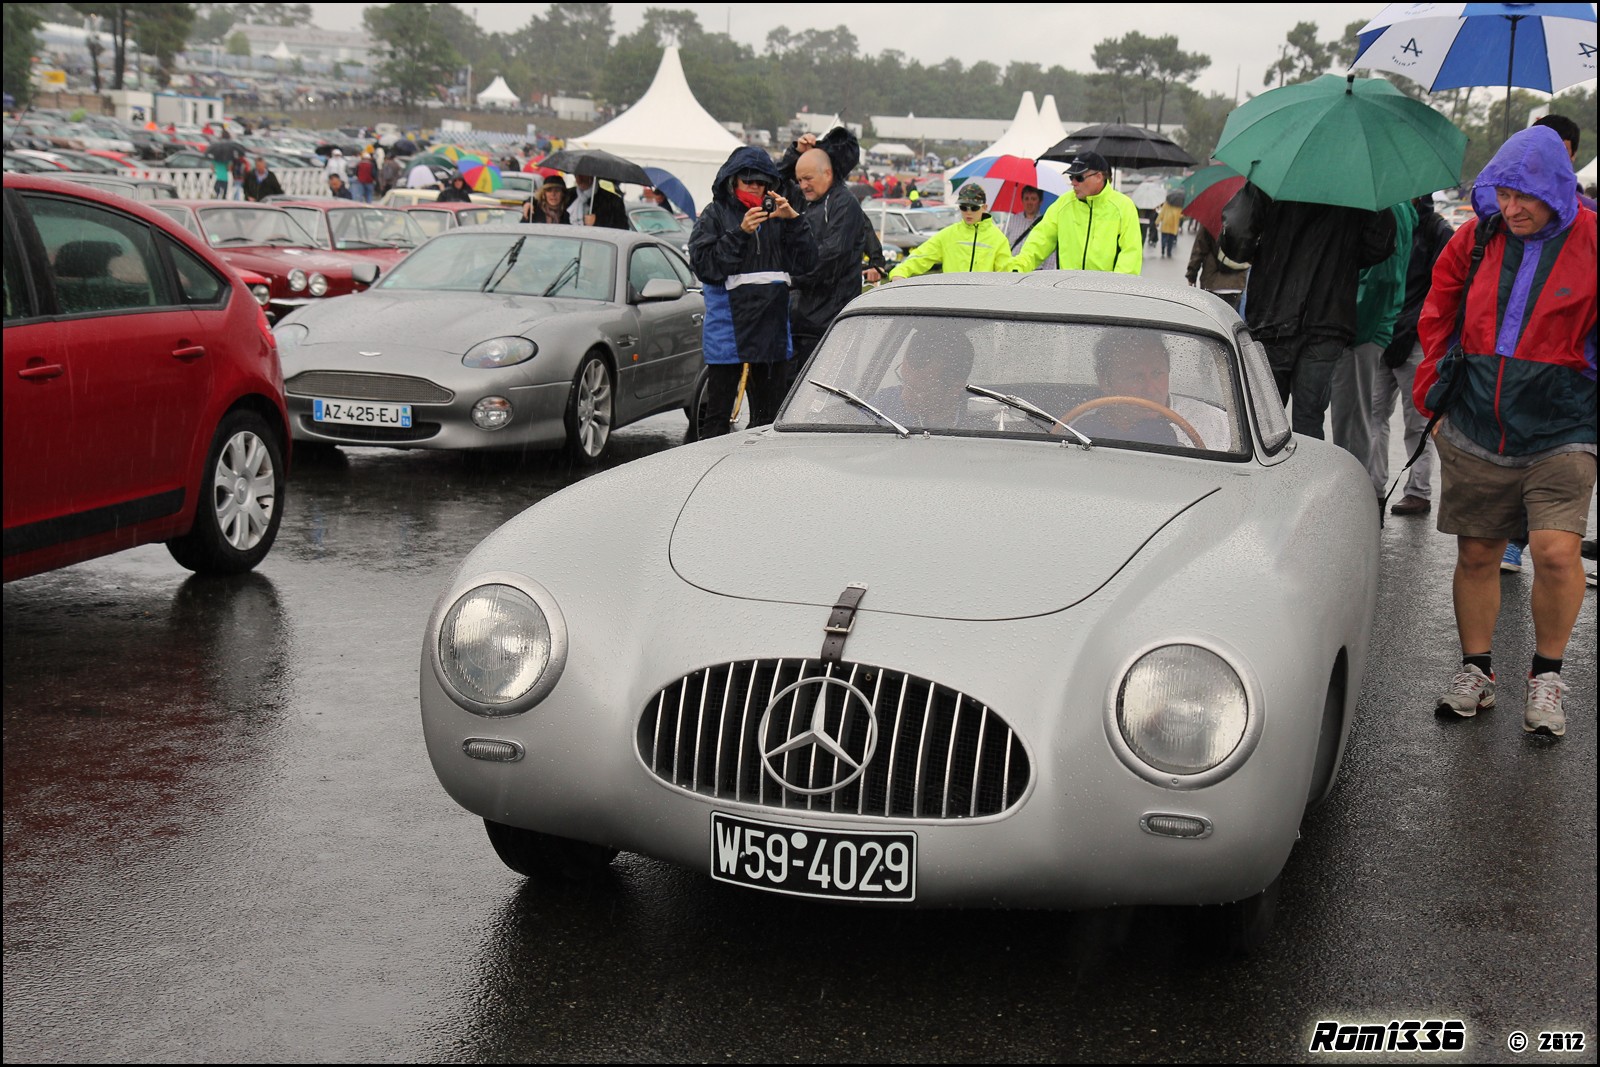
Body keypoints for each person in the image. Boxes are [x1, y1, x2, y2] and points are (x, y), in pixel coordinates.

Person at [1416, 125, 1596, 739]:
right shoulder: (1476, 237)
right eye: (1504, 193)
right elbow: (1438, 310)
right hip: (1476, 423)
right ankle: (1477, 670)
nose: (1512, 208)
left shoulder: (1593, 239)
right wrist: (1434, 395)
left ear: (1556, 189)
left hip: (1565, 425)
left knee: (1555, 551)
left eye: (1525, 196)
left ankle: (1547, 677)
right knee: (1477, 553)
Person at [1219, 183, 1395, 440]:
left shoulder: (1277, 175)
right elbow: (1382, 242)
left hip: (1273, 312)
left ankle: (1267, 465)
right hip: (1328, 318)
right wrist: (1343, 260)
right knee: (1310, 418)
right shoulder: (1357, 181)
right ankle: (1308, 466)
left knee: (1264, 419)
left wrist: (1263, 254)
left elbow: (1236, 234)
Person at [687, 146, 818, 438]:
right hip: (728, 331)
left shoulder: (779, 217)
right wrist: (741, 232)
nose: (755, 187)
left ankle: (759, 467)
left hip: (771, 331)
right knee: (717, 418)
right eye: (749, 181)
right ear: (733, 180)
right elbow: (705, 267)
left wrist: (794, 220)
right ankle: (712, 466)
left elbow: (808, 263)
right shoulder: (715, 214)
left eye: (762, 182)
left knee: (768, 419)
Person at [778, 128, 886, 385]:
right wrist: (795, 152)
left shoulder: (844, 204)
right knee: (793, 395)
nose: (803, 185)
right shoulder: (806, 201)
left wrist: (789, 278)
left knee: (826, 394)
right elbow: (773, 183)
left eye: (808, 178)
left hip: (829, 324)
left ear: (827, 173)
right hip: (799, 320)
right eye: (799, 179)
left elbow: (829, 258)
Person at [1369, 195, 1453, 516]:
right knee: (1374, 416)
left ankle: (1418, 490)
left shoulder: (1436, 230)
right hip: (1384, 330)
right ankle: (1373, 488)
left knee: (1417, 420)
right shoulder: (1385, 222)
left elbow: (1445, 287)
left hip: (1416, 336)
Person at [1329, 199, 1417, 470]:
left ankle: (1352, 489)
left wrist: (1350, 328)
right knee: (1355, 420)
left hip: (1361, 330)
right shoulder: (1395, 206)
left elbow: (1382, 279)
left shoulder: (1387, 207)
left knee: (1351, 424)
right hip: (1365, 327)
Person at [1077, 331, 1231, 451]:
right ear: (1104, 381)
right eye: (1136, 377)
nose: (1150, 390)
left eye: (1157, 374)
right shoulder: (1081, 431)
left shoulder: (1217, 424)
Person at [1012, 152, 1142, 274]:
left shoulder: (1124, 207)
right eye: (1071, 177)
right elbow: (1039, 241)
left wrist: (1115, 288)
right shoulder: (1063, 204)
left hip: (1106, 289)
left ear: (1098, 177)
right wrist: (1017, 268)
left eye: (1079, 177)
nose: (1073, 182)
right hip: (1067, 287)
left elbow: (1130, 254)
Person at [887, 184, 1013, 279]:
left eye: (974, 208)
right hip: (951, 300)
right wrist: (899, 272)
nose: (968, 212)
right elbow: (921, 255)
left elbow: (1006, 275)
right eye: (963, 207)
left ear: (984, 207)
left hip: (983, 302)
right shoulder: (948, 234)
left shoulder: (998, 239)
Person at [868, 328, 979, 429]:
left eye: (917, 389)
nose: (904, 396)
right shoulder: (882, 407)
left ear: (956, 388)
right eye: (904, 381)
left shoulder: (982, 423)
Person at [1185, 225, 1248, 310]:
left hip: (1213, 282)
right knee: (1229, 317)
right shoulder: (1245, 220)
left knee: (1210, 316)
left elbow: (1199, 248)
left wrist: (1192, 275)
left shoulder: (1212, 220)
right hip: (1235, 284)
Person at [1004, 186, 1054, 269]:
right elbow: (1003, 245)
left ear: (1040, 201)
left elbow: (1050, 254)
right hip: (1012, 269)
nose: (1029, 202)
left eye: (1033, 199)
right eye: (1026, 199)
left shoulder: (1045, 223)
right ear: (1022, 200)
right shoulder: (1012, 221)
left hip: (1035, 272)